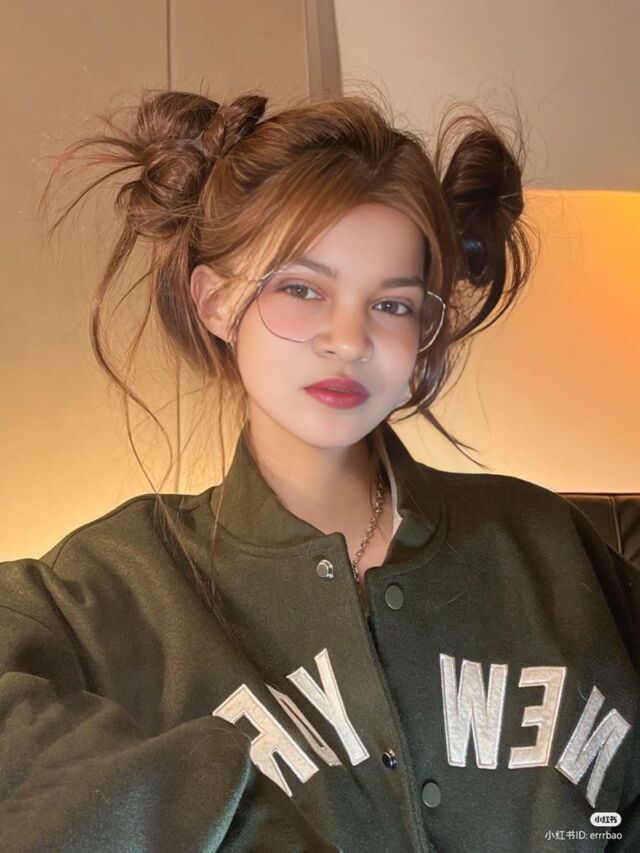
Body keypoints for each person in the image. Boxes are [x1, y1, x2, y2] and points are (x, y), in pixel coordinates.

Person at [0, 87, 637, 853]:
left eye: (392, 304)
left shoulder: (549, 543)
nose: (348, 338)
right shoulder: (112, 586)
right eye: (302, 289)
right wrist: (219, 817)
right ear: (216, 301)